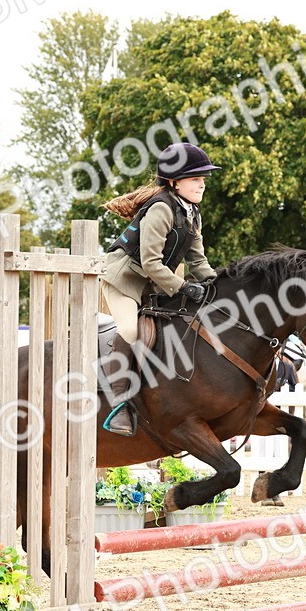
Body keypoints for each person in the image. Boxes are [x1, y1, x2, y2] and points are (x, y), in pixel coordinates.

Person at [99, 142, 221, 435]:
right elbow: (151, 262)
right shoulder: (161, 209)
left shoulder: (192, 213)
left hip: (153, 282)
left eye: (203, 179)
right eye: (195, 178)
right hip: (123, 278)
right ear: (174, 182)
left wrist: (218, 286)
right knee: (131, 330)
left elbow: (198, 261)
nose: (202, 184)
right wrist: (184, 287)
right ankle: (119, 403)